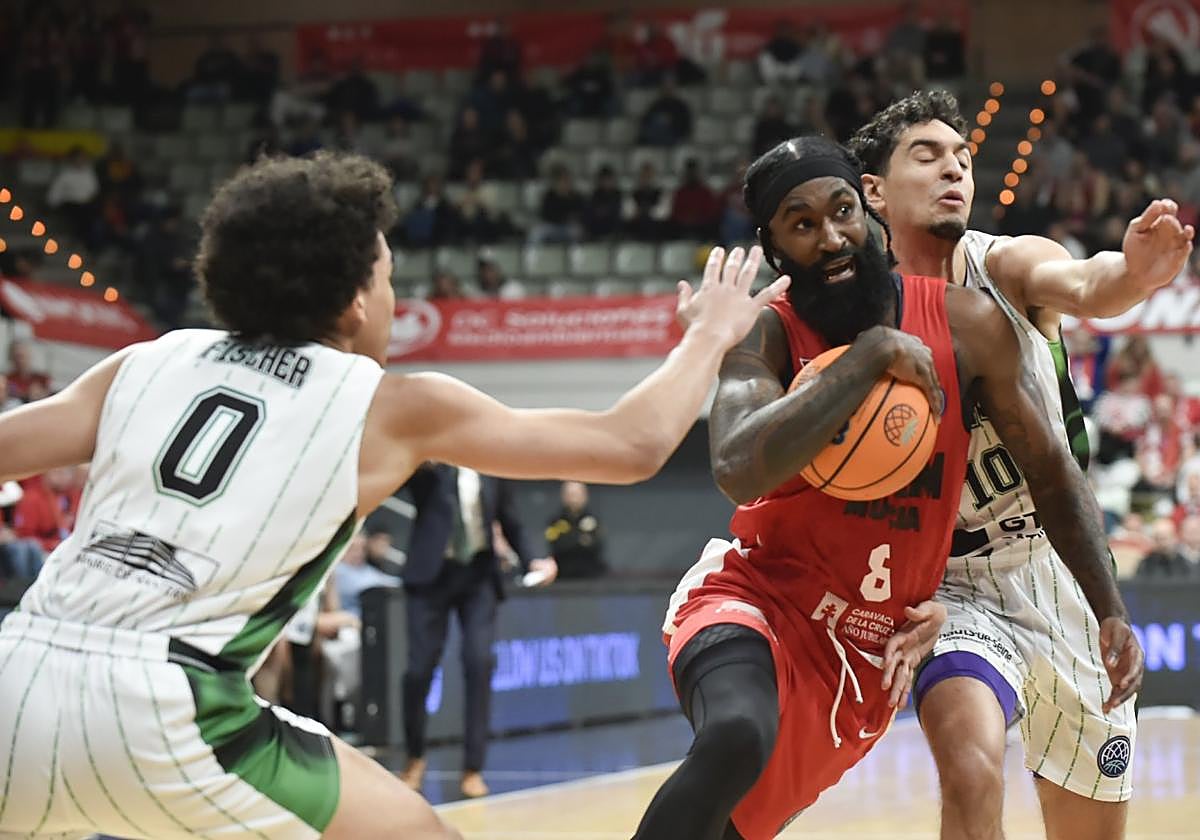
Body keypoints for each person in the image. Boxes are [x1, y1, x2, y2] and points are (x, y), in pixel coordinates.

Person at [0, 151, 788, 840]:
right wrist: (710, 335)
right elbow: (631, 444)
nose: (389, 294)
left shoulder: (147, 360)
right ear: (353, 301)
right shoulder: (391, 403)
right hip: (170, 712)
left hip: (17, 678)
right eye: (386, 278)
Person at [632, 136, 1142, 840]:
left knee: (731, 829)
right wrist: (867, 360)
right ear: (776, 249)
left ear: (869, 211)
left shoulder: (965, 325)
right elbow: (737, 467)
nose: (832, 237)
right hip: (758, 598)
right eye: (801, 224)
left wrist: (1106, 603)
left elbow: (1051, 471)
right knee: (736, 737)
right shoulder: (769, 335)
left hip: (862, 650)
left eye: (841, 210)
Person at [850, 90, 1189, 840]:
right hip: (947, 587)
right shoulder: (848, 312)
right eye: (928, 155)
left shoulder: (1002, 265)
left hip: (1056, 562)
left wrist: (1133, 275)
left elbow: (1085, 282)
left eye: (963, 159)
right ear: (873, 190)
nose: (954, 171)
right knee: (969, 770)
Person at [398, 464, 549, 799]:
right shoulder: (431, 466)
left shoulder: (491, 468)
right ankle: (414, 757)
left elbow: (510, 520)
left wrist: (533, 559)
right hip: (431, 578)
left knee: (479, 662)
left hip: (478, 577)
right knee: (419, 670)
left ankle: (473, 768)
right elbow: (411, 482)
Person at [546, 481, 607, 579]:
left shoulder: (593, 519)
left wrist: (569, 537)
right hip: (562, 576)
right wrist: (580, 539)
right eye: (570, 494)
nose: (574, 498)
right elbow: (555, 544)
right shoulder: (555, 522)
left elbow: (597, 544)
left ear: (585, 496)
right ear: (563, 496)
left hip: (591, 575)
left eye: (577, 494)